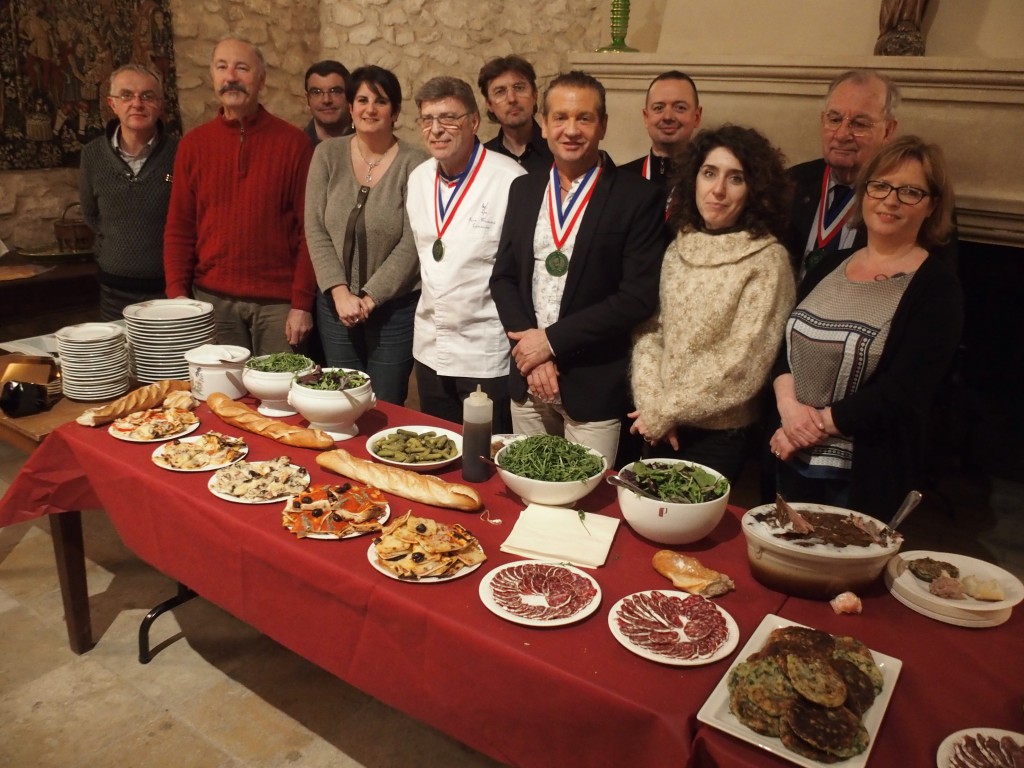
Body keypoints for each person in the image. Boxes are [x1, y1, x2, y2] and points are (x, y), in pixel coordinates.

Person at [770, 135, 962, 521]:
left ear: (932, 206)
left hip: (866, 474)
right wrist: (788, 409)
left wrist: (810, 427)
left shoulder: (936, 287)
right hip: (790, 457)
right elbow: (782, 349)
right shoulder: (829, 264)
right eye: (880, 186)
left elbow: (905, 390)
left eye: (910, 191)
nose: (890, 200)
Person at [489, 70, 668, 467]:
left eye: (584, 118)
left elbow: (636, 297)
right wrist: (531, 353)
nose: (571, 130)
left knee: (585, 506)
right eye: (560, 118)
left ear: (602, 125)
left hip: (592, 383)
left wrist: (549, 343)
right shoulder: (524, 189)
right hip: (529, 382)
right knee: (529, 487)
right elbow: (502, 277)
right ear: (546, 125)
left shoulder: (637, 198)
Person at [628, 125, 795, 483]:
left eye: (735, 178)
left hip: (717, 435)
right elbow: (650, 331)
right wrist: (651, 401)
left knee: (692, 532)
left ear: (755, 190)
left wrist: (666, 410)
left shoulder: (768, 259)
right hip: (657, 422)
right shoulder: (678, 246)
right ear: (694, 180)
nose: (718, 190)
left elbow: (745, 361)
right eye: (709, 174)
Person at [164, 37, 315, 354]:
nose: (230, 76)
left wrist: (302, 302)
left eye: (242, 68)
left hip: (278, 305)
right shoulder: (193, 145)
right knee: (219, 398)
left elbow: (310, 232)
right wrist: (178, 294)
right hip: (212, 301)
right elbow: (180, 226)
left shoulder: (294, 144)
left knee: (279, 396)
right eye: (222, 67)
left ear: (262, 80)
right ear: (213, 76)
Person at [407, 76, 525, 431]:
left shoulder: (510, 179)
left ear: (474, 122)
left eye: (449, 118)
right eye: (427, 119)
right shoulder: (418, 179)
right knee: (434, 449)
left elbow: (520, 273)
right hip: (430, 346)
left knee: (481, 459)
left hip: (484, 352)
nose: (437, 129)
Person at [304, 65, 427, 405]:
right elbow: (315, 228)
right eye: (362, 99)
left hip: (394, 310)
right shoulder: (326, 155)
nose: (370, 108)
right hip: (335, 306)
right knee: (342, 400)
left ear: (396, 112)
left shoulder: (416, 163)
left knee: (385, 403)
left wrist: (371, 297)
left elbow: (413, 241)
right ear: (351, 108)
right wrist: (340, 293)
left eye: (381, 101)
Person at [79, 63, 177, 320]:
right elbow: (91, 215)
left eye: (147, 96)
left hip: (170, 289)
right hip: (114, 290)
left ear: (160, 104)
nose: (137, 103)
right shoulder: (92, 155)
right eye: (126, 95)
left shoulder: (181, 153)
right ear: (112, 104)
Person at [787, 70, 898, 276]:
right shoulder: (791, 182)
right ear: (823, 121)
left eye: (859, 123)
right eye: (835, 119)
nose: (842, 134)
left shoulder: (902, 201)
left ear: (888, 130)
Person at [621, 71, 702, 188]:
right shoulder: (620, 180)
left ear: (697, 117)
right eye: (658, 108)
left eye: (680, 107)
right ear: (646, 117)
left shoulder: (709, 180)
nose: (668, 116)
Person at [478, 55, 553, 174]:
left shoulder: (557, 151)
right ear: (489, 104)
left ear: (534, 95)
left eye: (519, 88)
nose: (512, 99)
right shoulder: (481, 159)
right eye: (500, 92)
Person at [303, 59, 352, 146]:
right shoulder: (299, 146)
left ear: (350, 95)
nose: (326, 100)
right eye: (316, 92)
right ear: (307, 98)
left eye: (335, 91)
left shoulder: (369, 142)